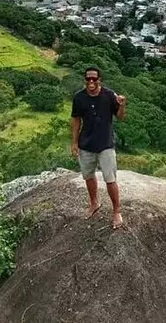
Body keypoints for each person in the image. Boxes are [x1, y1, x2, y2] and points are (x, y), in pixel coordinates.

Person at [70, 66, 126, 229]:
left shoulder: (109, 95)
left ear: (99, 80)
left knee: (110, 179)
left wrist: (122, 105)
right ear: (85, 80)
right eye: (88, 79)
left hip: (105, 144)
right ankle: (94, 203)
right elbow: (75, 120)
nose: (91, 82)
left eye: (94, 79)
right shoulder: (79, 98)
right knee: (88, 176)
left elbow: (121, 117)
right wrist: (73, 142)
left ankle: (116, 211)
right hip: (86, 144)